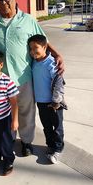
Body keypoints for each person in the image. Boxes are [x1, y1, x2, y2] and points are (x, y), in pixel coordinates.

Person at [0, 0, 64, 156]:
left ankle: (27, 141)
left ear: (14, 0)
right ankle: (10, 138)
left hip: (23, 77)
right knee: (4, 112)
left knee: (26, 112)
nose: (3, 2)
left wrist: (57, 54)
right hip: (0, 80)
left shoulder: (27, 20)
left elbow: (43, 40)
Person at [28, 34, 67, 164]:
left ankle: (57, 149)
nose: (33, 52)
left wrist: (56, 101)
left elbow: (58, 82)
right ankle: (50, 146)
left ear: (45, 47)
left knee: (57, 127)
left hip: (54, 103)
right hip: (41, 102)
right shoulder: (34, 62)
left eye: (36, 48)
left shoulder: (51, 63)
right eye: (30, 49)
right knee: (46, 126)